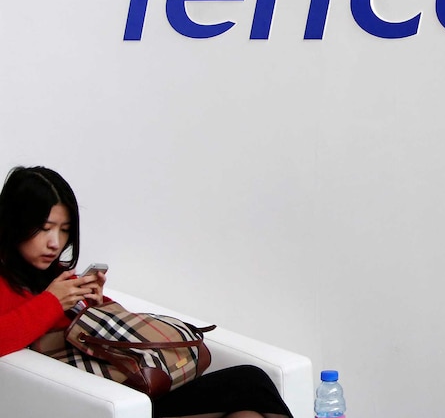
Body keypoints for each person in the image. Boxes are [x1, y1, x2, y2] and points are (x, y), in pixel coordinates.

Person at [0, 165, 293, 418]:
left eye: (64, 229)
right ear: (14, 224)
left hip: (136, 389)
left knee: (249, 407)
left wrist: (97, 304)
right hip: (103, 404)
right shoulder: (13, 283)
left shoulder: (56, 277)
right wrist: (53, 302)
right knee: (249, 383)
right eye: (44, 228)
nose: (55, 242)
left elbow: (115, 335)